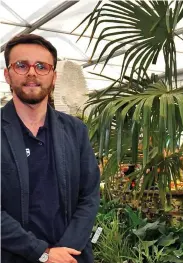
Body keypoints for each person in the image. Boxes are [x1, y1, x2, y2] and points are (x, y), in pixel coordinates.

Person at [1, 34, 100, 263]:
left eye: (41, 66)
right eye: (21, 65)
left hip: (71, 257)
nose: (32, 73)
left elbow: (89, 195)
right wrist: (42, 254)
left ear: (53, 76)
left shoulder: (76, 131)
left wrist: (65, 251)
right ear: (7, 74)